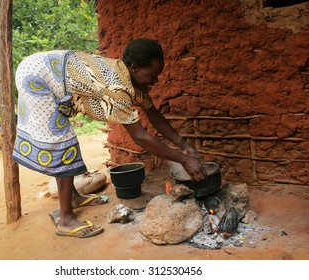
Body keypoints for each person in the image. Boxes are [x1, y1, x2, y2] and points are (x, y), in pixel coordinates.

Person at [13, 38, 207, 238]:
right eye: (152, 76)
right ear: (135, 67)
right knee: (63, 143)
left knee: (66, 140)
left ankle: (72, 197)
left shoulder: (128, 77)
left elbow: (154, 115)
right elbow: (139, 137)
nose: (155, 81)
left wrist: (183, 145)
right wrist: (184, 159)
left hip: (50, 68)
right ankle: (66, 219)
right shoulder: (117, 88)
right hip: (37, 76)